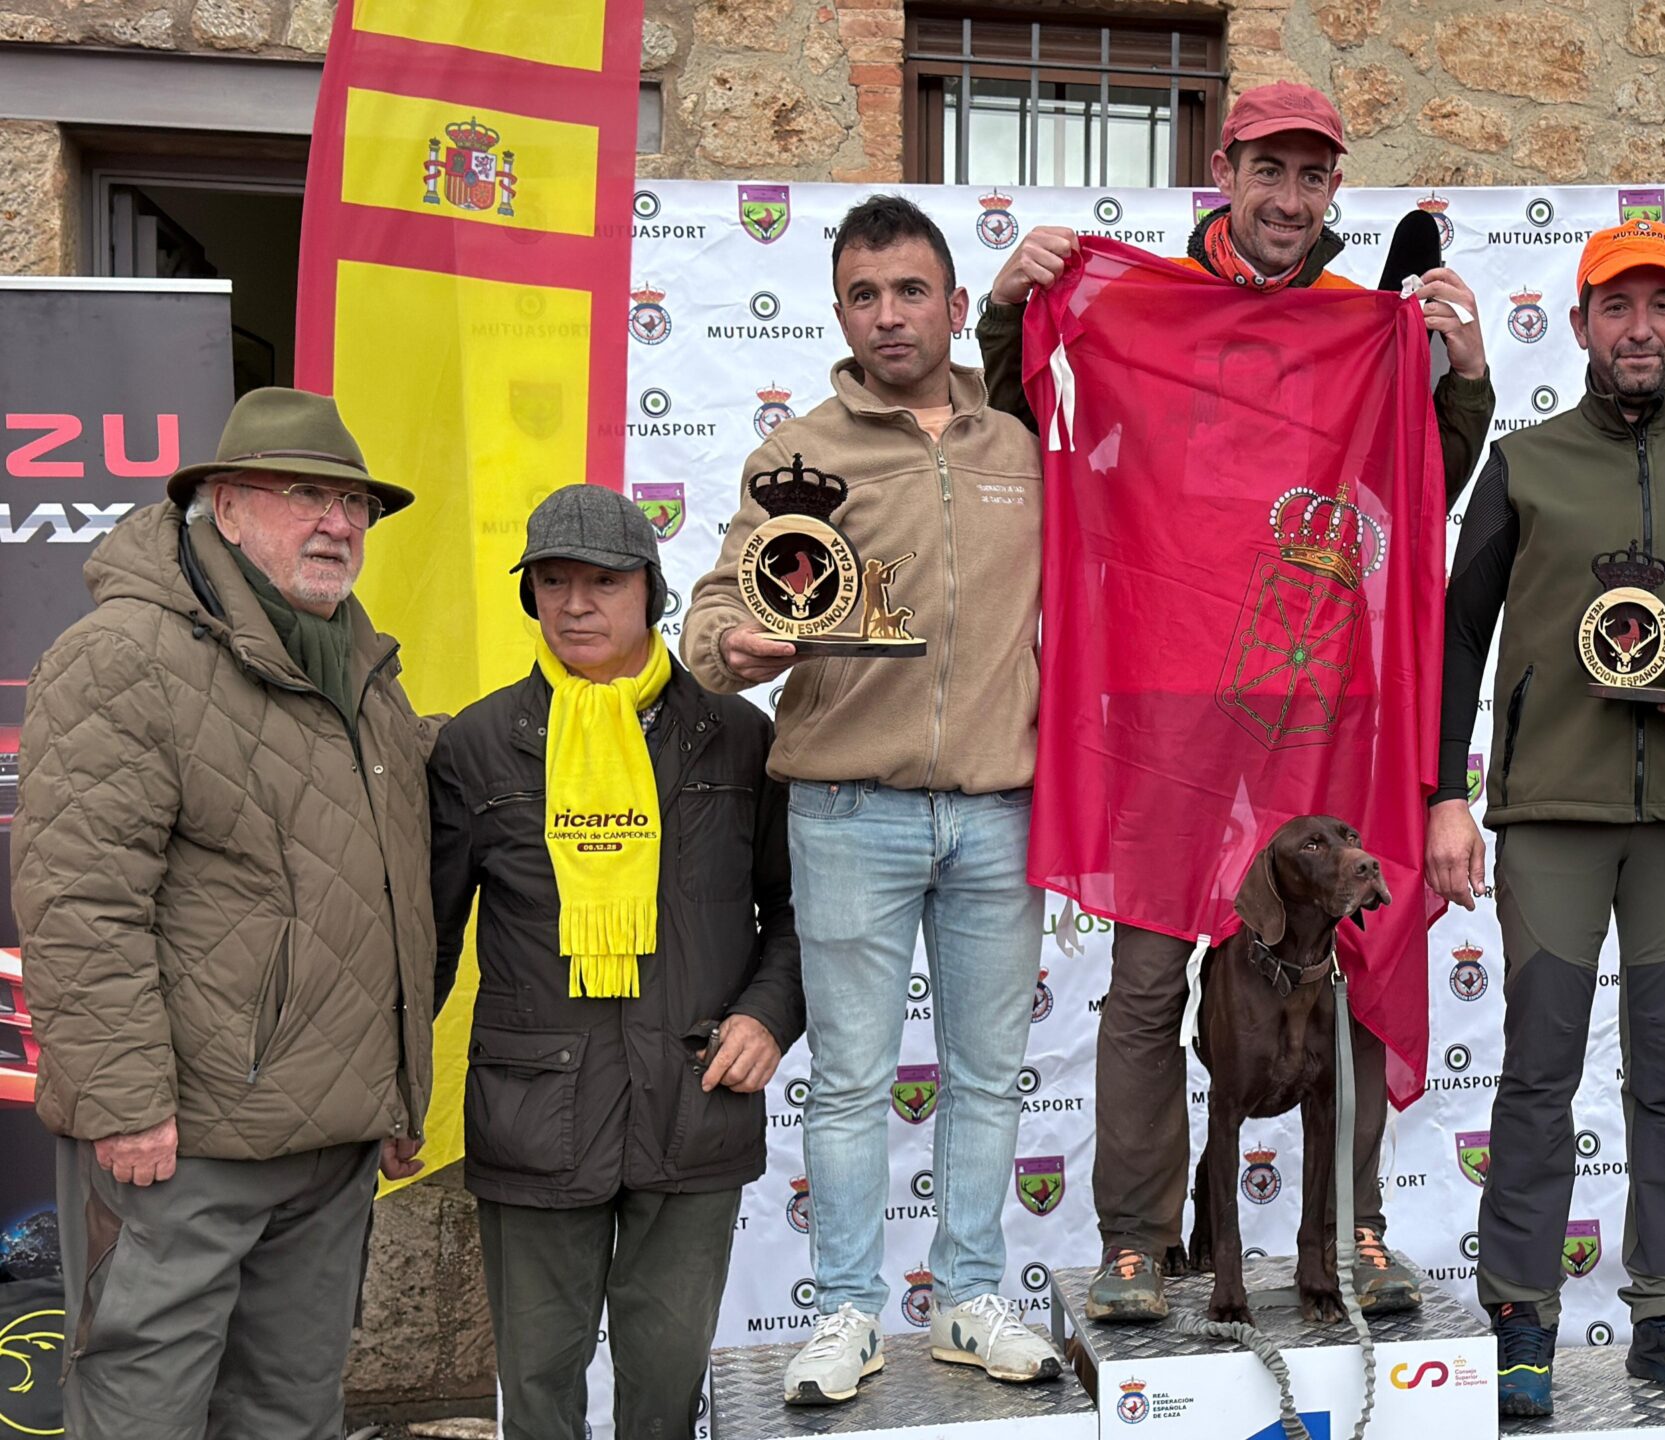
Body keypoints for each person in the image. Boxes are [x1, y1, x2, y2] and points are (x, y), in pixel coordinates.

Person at [974, 79, 1498, 1322]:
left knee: (1346, 955)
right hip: (1164, 702)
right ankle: (1135, 1246)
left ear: (1333, 192)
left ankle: (1352, 1231)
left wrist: (1461, 384)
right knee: (1151, 983)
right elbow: (1030, 433)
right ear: (1226, 170)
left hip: (1308, 698)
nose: (1289, 195)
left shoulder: (1358, 321)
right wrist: (1008, 315)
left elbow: (1411, 497)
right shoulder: (1144, 304)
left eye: (1314, 176)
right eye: (1270, 169)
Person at [681, 195, 1061, 1405]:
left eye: (911, 292)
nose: (888, 315)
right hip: (847, 809)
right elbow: (712, 606)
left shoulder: (1022, 447)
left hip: (1002, 808)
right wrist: (732, 645)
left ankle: (966, 1300)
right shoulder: (800, 452)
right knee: (847, 1080)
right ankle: (844, 1312)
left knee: (989, 1076)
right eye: (864, 293)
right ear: (838, 310)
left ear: (956, 308)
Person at [1424, 218, 1665, 1416]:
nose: (1638, 329)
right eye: (1614, 307)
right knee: (1536, 1072)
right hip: (1550, 809)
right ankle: (1520, 1320)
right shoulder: (1526, 461)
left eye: (1661, 306)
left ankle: (1662, 1317)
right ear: (1581, 324)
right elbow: (1455, 632)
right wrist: (1445, 792)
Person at [9, 387, 437, 1440]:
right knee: (143, 1407)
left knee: (291, 1413)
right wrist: (121, 1101)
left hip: (329, 1140)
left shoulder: (363, 675)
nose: (338, 524)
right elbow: (79, 899)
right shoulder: (124, 660)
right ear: (224, 505)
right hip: (180, 1142)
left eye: (355, 506)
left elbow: (381, 892)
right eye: (305, 496)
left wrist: (397, 1094)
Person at [427, 485, 802, 1439]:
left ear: (653, 590)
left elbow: (800, 910)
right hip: (533, 1112)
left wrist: (767, 1014)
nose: (576, 604)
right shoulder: (476, 745)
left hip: (693, 1097)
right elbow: (424, 938)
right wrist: (393, 1090)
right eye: (553, 582)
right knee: (539, 1390)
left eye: (603, 581)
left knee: (667, 1385)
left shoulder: (739, 734)